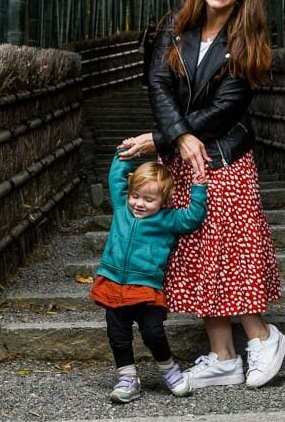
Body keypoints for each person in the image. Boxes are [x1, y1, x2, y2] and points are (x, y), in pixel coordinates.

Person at [117, 0, 285, 390]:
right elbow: (157, 84)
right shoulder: (174, 28)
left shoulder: (248, 39)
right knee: (194, 251)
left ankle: (263, 335)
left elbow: (229, 106)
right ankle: (223, 356)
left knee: (227, 249)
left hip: (225, 155)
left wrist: (161, 137)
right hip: (184, 152)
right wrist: (177, 136)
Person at [89, 151, 208, 403]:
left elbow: (192, 218)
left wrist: (199, 189)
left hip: (146, 288)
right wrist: (127, 152)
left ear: (164, 201)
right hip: (112, 285)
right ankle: (128, 379)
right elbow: (116, 176)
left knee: (153, 333)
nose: (139, 203)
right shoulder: (122, 209)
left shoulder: (167, 220)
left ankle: (170, 371)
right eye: (135, 196)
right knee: (118, 336)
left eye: (149, 199)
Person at [139, 16, 158, 86]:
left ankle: (153, 81)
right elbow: (140, 41)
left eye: (153, 23)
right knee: (147, 67)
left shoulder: (158, 32)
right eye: (151, 23)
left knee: (154, 68)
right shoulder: (146, 31)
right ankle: (146, 82)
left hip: (155, 53)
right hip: (147, 53)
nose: (152, 25)